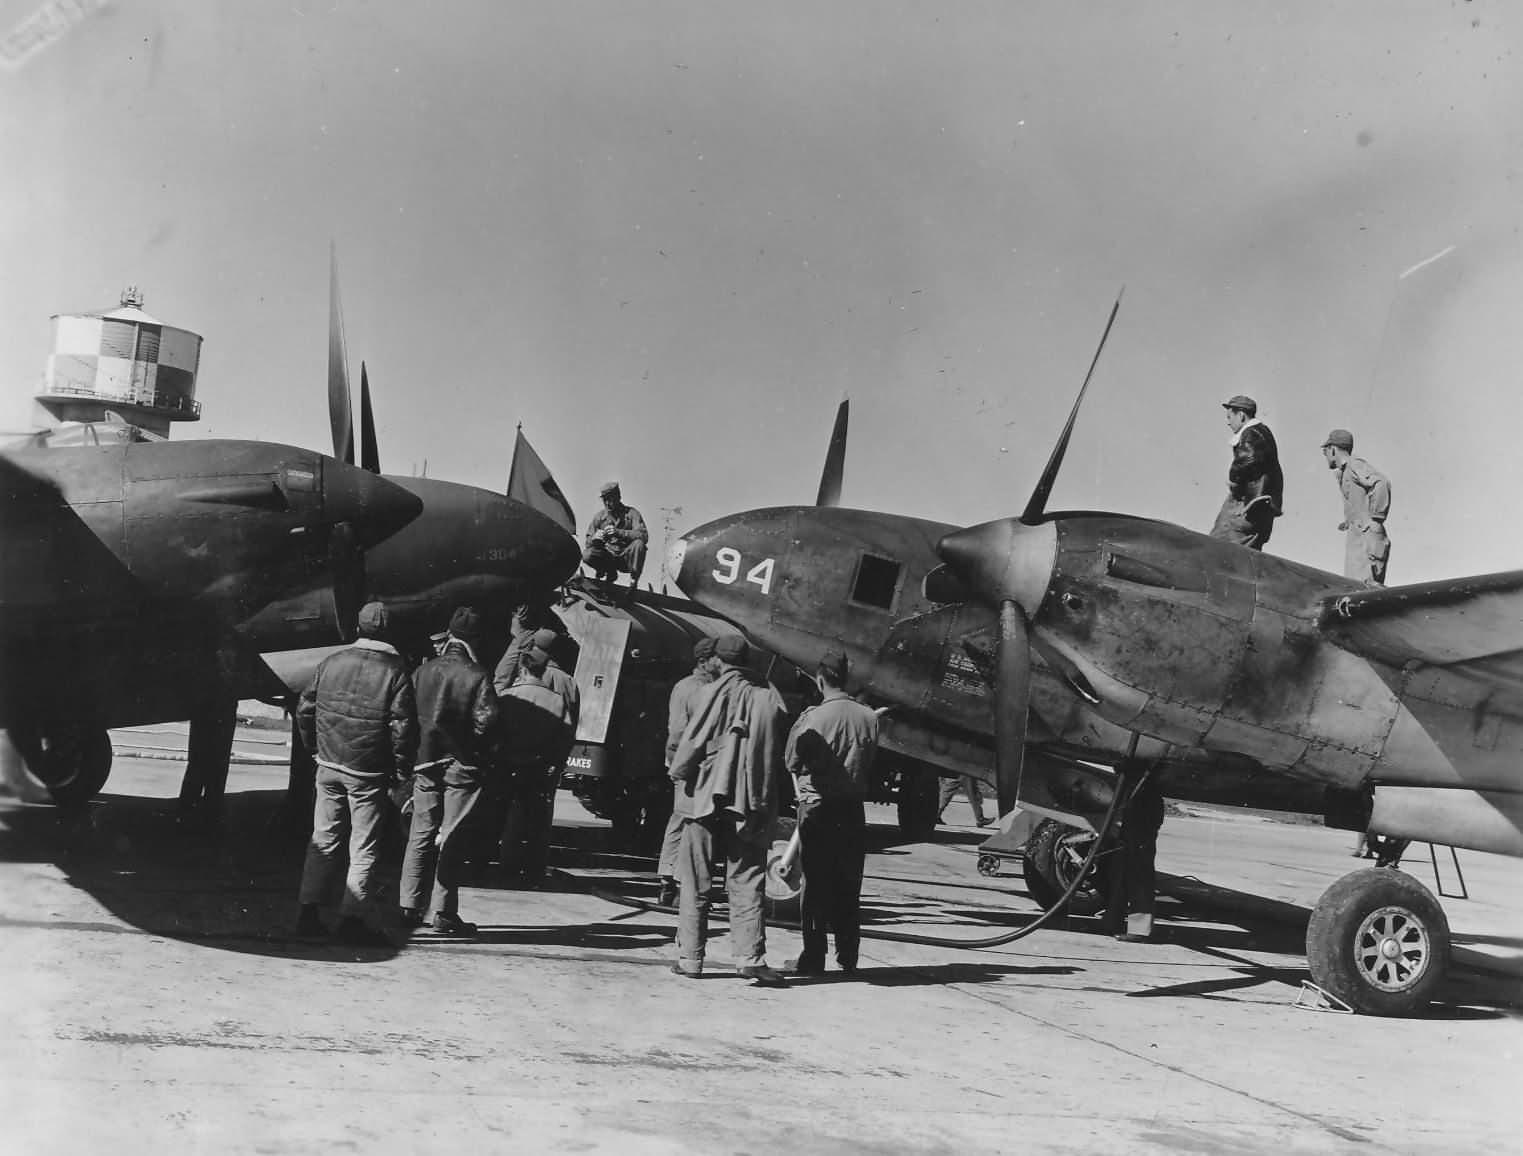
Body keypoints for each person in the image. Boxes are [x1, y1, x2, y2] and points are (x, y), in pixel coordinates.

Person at [668, 635, 790, 986]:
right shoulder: (768, 697)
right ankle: (750, 959)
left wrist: (678, 772)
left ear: (718, 662)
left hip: (704, 798)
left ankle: (690, 959)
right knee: (747, 877)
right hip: (749, 801)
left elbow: (689, 743)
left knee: (695, 879)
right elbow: (780, 720)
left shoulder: (707, 693)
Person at [294, 601, 418, 946]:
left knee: (324, 838)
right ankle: (350, 919)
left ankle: (308, 912)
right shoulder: (395, 670)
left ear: (359, 628)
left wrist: (315, 749)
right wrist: (401, 771)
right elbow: (401, 728)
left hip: (328, 764)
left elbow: (306, 707)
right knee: (363, 846)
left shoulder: (333, 661)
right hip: (367, 771)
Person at [399, 606, 500, 937]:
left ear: (451, 635)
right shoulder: (477, 674)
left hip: (425, 764)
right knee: (452, 838)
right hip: (462, 767)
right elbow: (487, 723)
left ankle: (409, 906)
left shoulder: (423, 671)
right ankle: (443, 912)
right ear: (475, 639)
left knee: (420, 834)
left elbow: (407, 717)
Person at [784, 649, 879, 977]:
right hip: (852, 810)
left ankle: (813, 957)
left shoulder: (813, 717)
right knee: (848, 885)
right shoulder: (870, 717)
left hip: (818, 809)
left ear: (820, 679)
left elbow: (791, 763)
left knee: (815, 886)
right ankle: (847, 957)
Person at [497, 634, 578, 883]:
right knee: (540, 817)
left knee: (513, 813)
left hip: (512, 763)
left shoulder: (511, 694)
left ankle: (507, 866)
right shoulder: (567, 685)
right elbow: (568, 732)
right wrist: (558, 763)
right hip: (543, 766)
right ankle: (534, 868)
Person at [655, 637, 721, 906]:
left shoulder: (696, 686)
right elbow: (677, 732)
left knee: (680, 820)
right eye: (716, 658)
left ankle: (668, 882)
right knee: (690, 822)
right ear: (704, 661)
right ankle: (679, 883)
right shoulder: (692, 688)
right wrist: (678, 765)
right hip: (693, 764)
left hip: (692, 763)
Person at [1101, 764, 1166, 942]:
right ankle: (1112, 920)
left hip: (1140, 830)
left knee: (1138, 876)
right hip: (1131, 828)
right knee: (1119, 874)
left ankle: (1140, 929)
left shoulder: (1146, 790)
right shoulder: (1135, 786)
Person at [1209, 395, 1283, 550]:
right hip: (1262, 505)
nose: (1227, 422)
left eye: (1230, 416)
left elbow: (1248, 458)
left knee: (1218, 545)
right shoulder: (1263, 432)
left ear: (1241, 415)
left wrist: (1233, 478)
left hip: (1248, 505)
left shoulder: (1251, 433)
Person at [1321, 429, 1392, 587]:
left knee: (1363, 590)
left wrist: (1376, 517)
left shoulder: (1354, 465)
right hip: (1359, 535)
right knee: (1356, 588)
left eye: (1325, 451)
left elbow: (1381, 483)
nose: (1325, 456)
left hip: (1365, 537)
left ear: (1332, 449)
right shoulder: (1346, 471)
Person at [583, 481, 649, 586]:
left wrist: (619, 532)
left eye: (610, 499)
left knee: (639, 544)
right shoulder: (599, 517)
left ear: (618, 497)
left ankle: (634, 581)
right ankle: (609, 571)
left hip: (625, 558)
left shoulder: (631, 513)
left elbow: (643, 536)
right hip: (608, 557)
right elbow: (587, 544)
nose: (607, 503)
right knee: (587, 554)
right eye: (605, 500)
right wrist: (594, 539)